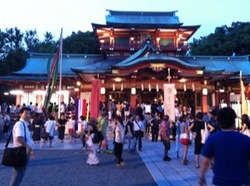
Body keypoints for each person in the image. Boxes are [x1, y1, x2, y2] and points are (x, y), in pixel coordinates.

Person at [199, 107, 250, 186]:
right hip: (241, 181)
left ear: (219, 122)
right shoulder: (245, 140)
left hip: (221, 181)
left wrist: (201, 176)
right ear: (234, 121)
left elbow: (205, 162)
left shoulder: (212, 139)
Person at [10, 107, 34, 186]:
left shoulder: (24, 125)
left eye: (29, 114)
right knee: (17, 175)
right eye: (26, 113)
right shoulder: (20, 124)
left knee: (19, 175)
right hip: (20, 152)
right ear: (21, 114)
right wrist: (27, 147)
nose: (28, 115)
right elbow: (19, 137)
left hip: (23, 151)